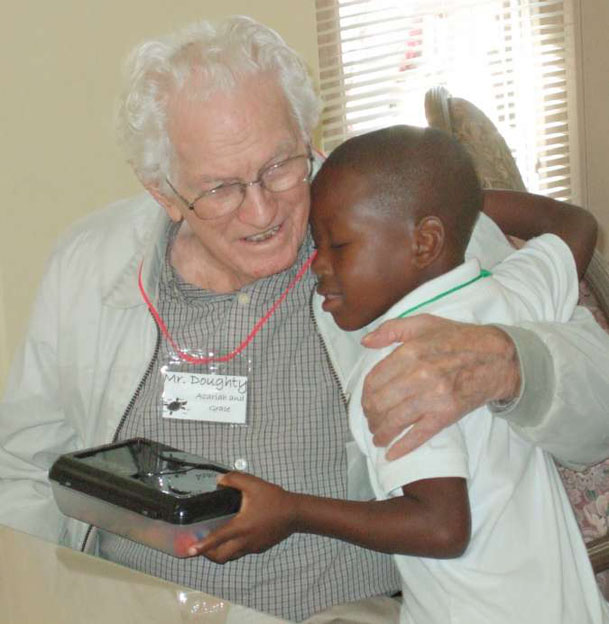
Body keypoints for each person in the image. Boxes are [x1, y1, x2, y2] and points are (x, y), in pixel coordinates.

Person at [0, 14, 609, 623]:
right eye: (220, 189)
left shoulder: (396, 227)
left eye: (280, 166)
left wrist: (510, 365)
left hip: (349, 611)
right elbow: (24, 469)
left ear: (308, 136)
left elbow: (598, 408)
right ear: (163, 191)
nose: (262, 209)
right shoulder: (91, 265)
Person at [195, 125, 609, 624]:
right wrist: (458, 206)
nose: (317, 266)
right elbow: (573, 223)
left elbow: (440, 526)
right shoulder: (505, 294)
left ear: (424, 241)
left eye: (338, 246)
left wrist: (292, 511)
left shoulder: (396, 363)